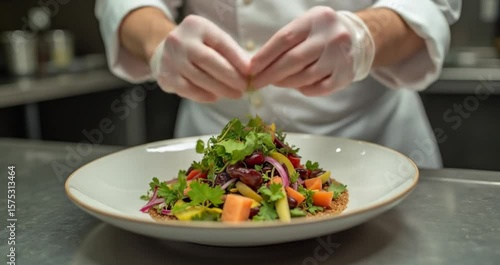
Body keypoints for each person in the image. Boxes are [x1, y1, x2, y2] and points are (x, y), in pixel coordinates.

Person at [95, 0, 461, 169]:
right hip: (215, 151)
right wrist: (158, 39)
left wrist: (365, 38)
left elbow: (433, 5)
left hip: (372, 147)